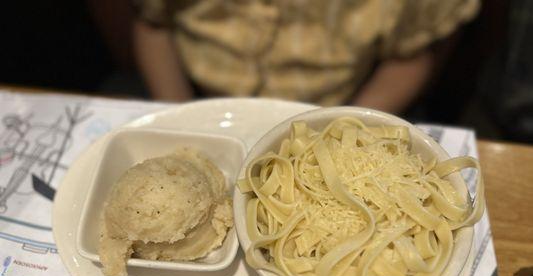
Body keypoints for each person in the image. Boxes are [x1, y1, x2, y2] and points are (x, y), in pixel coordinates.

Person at [131, 0, 479, 114]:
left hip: (335, 106)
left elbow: (409, 54)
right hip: (197, 95)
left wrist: (344, 123)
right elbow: (152, 23)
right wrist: (178, 112)